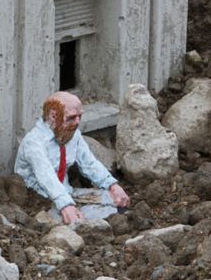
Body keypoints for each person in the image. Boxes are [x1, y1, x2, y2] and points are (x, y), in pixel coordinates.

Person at [14, 91, 130, 224]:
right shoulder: (34, 143)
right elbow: (46, 177)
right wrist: (65, 205)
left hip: (68, 192)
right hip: (41, 199)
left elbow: (90, 163)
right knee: (71, 220)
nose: (77, 122)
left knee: (113, 199)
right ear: (53, 116)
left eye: (80, 116)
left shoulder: (73, 135)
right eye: (72, 117)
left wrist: (112, 186)